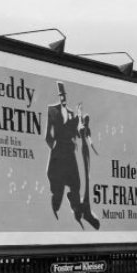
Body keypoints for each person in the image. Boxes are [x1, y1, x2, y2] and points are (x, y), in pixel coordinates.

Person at [45, 82, 99, 229]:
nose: (63, 98)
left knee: (75, 183)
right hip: (58, 154)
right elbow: (48, 135)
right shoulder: (52, 110)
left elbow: (76, 132)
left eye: (64, 96)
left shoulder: (71, 113)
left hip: (69, 153)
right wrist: (54, 147)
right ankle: (56, 208)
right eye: (61, 96)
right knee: (58, 186)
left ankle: (78, 211)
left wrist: (80, 119)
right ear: (59, 97)